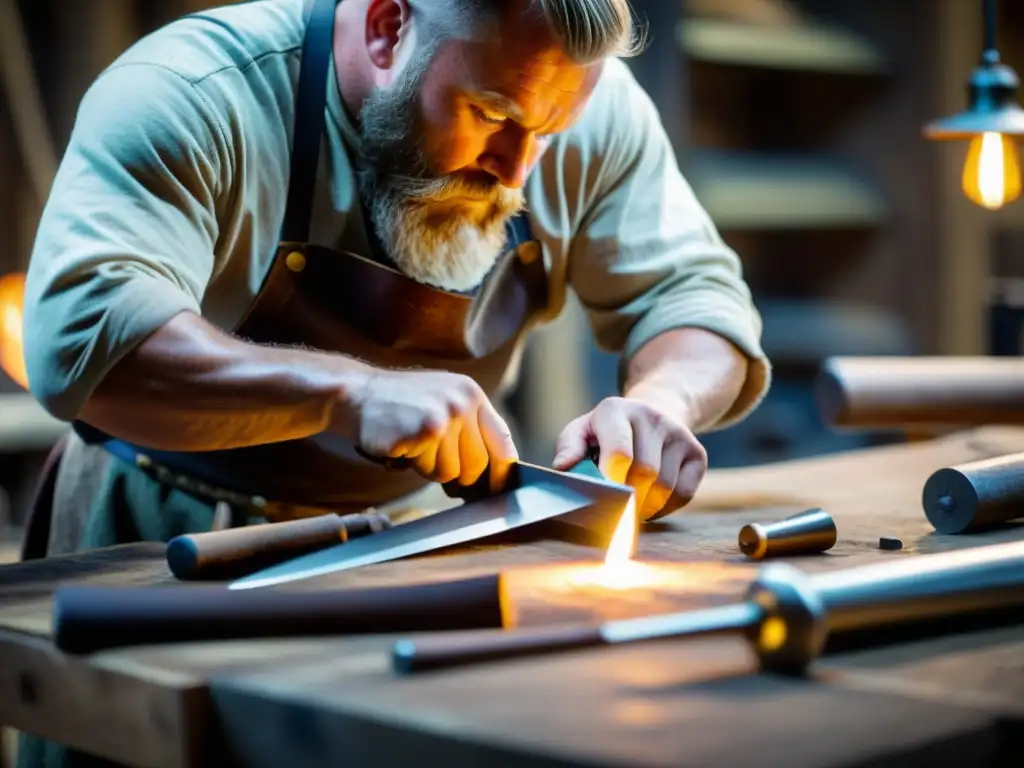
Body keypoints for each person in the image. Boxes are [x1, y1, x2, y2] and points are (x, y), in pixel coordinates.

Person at [18, 0, 769, 765]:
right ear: (386, 27)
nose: (518, 171)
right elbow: (84, 339)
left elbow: (697, 300)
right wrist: (350, 393)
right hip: (157, 545)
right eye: (490, 113)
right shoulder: (196, 90)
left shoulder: (574, 98)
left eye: (548, 133)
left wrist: (660, 402)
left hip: (415, 546)